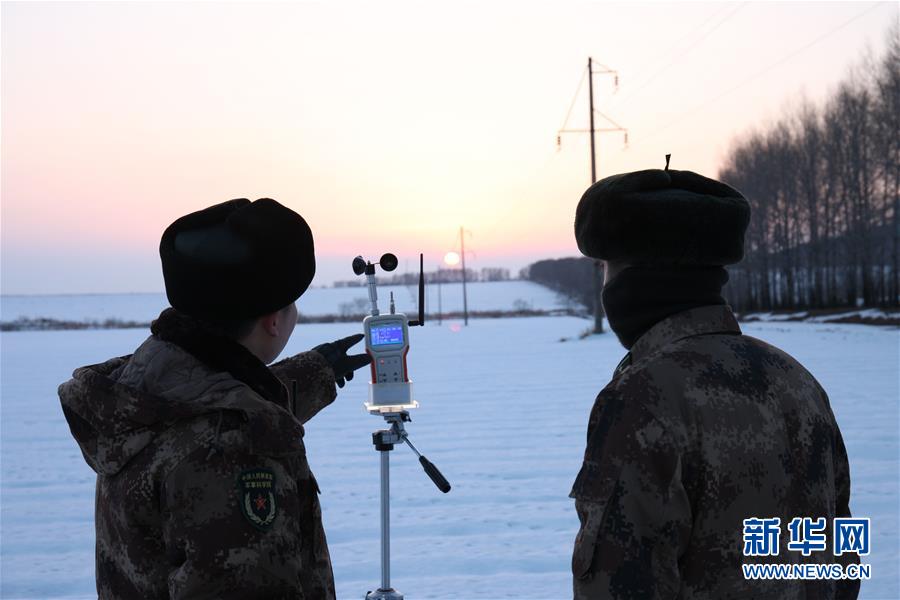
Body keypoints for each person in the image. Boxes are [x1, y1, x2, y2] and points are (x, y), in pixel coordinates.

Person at [58, 198, 370, 599]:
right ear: (273, 320)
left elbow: (208, 401)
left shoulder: (141, 386)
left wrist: (314, 373)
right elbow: (223, 430)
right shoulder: (234, 452)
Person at [569, 167, 859, 599]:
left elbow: (620, 585)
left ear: (635, 279)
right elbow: (842, 557)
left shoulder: (642, 399)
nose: (604, 286)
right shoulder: (797, 380)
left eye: (606, 268)